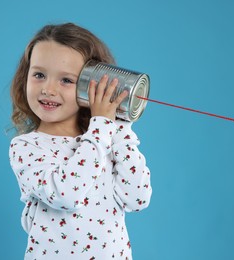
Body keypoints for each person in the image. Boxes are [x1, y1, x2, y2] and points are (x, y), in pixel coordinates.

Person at [9, 22, 152, 260]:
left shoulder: (105, 139)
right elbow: (67, 194)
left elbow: (137, 197)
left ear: (93, 86)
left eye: (66, 80)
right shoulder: (26, 147)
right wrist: (101, 127)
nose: (48, 88)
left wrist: (119, 128)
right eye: (39, 75)